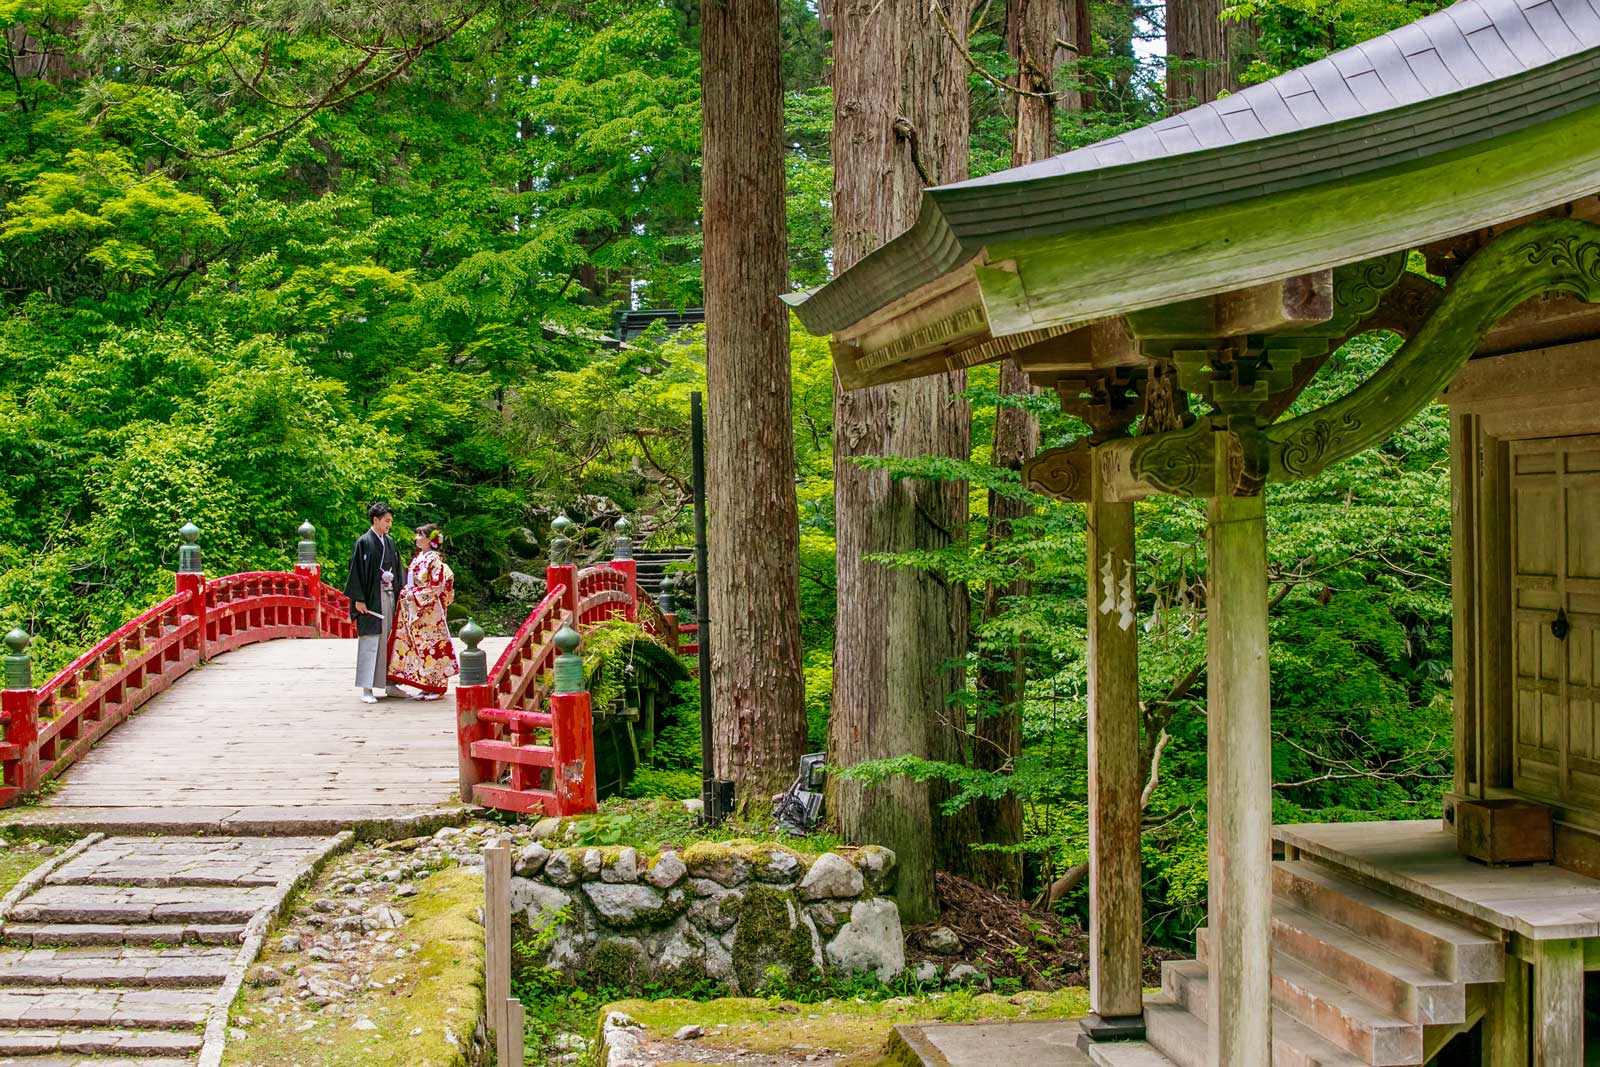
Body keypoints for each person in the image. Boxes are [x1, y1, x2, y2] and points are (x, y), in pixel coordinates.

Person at [386, 523, 459, 700]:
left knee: (433, 646)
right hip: (416, 608)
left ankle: (437, 687)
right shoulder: (419, 557)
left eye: (420, 535)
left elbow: (437, 585)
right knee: (420, 647)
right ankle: (426, 685)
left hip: (430, 610)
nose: (416, 538)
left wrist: (414, 594)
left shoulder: (435, 560)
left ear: (429, 539)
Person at [345, 503, 406, 704]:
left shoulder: (389, 542)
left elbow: (398, 569)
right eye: (386, 521)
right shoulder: (363, 542)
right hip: (371, 598)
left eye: (390, 521)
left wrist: (401, 592)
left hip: (389, 595)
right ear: (375, 520)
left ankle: (390, 683)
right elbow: (356, 571)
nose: (389, 525)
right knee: (371, 639)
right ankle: (367, 688)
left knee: (390, 638)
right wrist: (358, 599)